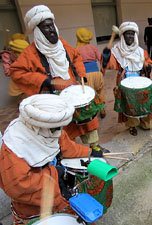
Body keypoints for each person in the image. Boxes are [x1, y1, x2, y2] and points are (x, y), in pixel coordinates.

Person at [0, 94, 105, 224]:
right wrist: (54, 174)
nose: (60, 131)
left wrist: (90, 152)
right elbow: (18, 186)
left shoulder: (50, 128)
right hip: (34, 206)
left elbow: (66, 146)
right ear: (40, 125)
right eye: (57, 128)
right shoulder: (14, 146)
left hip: (56, 187)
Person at [10, 5, 104, 150]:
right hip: (53, 98)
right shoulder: (30, 53)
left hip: (73, 88)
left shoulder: (62, 44)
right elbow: (16, 72)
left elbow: (76, 57)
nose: (52, 30)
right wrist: (43, 80)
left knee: (88, 119)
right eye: (46, 27)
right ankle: (71, 152)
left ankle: (95, 147)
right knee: (64, 127)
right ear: (38, 31)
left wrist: (81, 75)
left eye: (52, 25)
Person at [102, 21, 152, 136]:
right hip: (125, 82)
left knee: (145, 102)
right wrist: (106, 56)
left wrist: (147, 67)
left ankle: (147, 123)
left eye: (132, 34)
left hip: (140, 81)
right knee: (129, 105)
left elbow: (149, 63)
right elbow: (109, 64)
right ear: (122, 36)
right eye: (127, 34)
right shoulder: (117, 51)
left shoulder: (141, 51)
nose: (130, 36)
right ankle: (132, 125)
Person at [76, 27, 106, 118]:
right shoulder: (93, 48)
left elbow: (75, 65)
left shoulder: (76, 50)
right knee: (100, 91)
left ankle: (93, 113)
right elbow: (101, 59)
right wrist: (102, 70)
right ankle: (102, 109)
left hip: (86, 76)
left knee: (90, 94)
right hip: (97, 74)